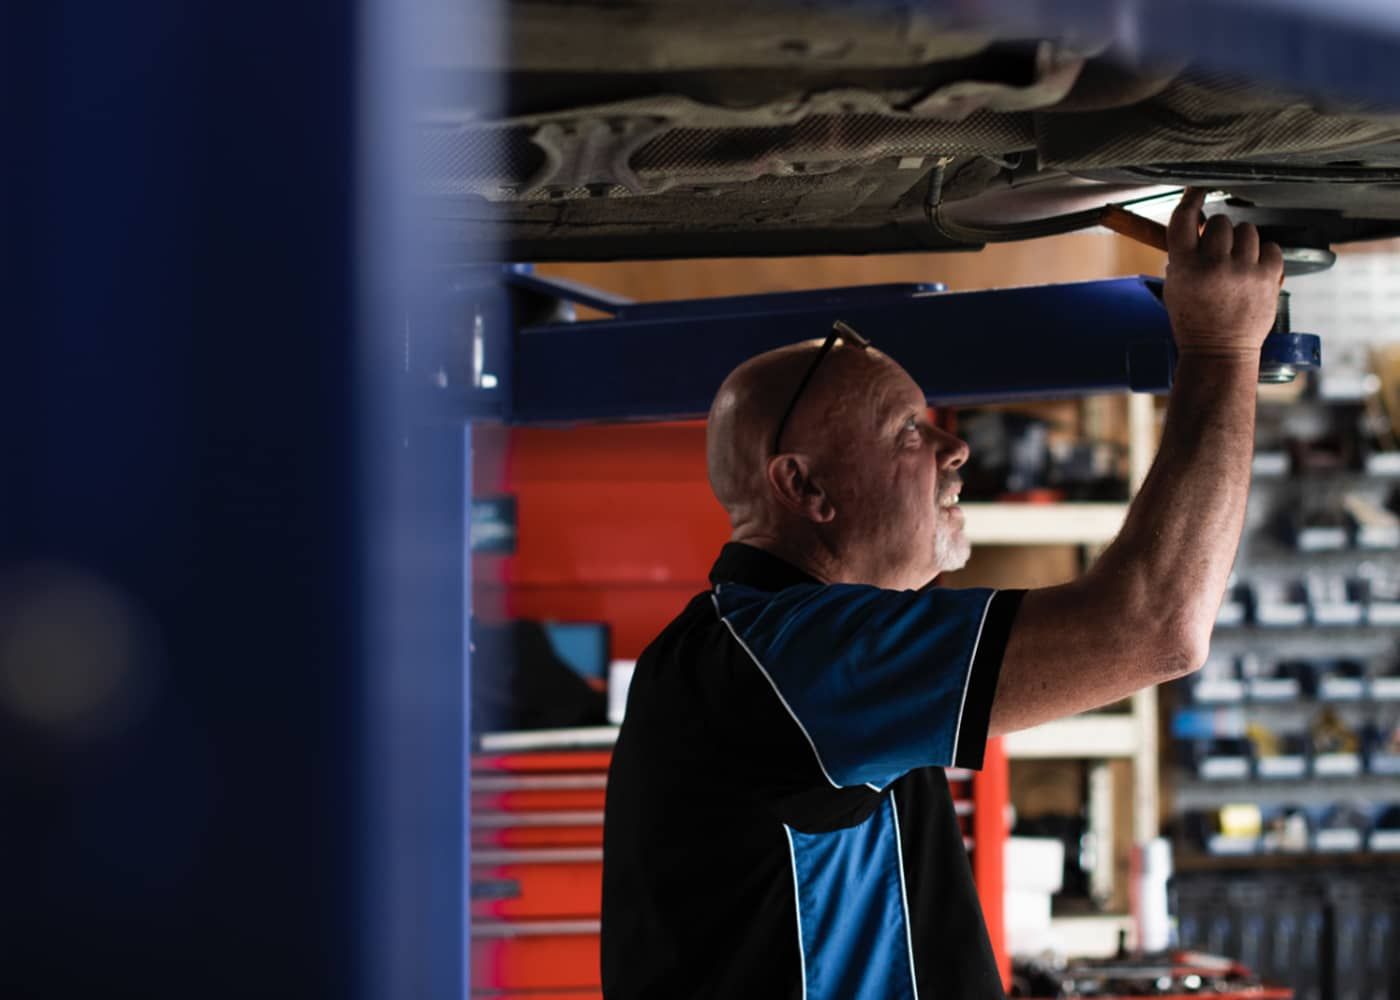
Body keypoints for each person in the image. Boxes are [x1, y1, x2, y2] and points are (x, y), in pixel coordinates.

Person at [600, 188, 1284, 999]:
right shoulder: (785, 662)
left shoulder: (768, 654)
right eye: (908, 432)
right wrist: (1221, 351)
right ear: (805, 486)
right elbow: (1156, 626)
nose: (954, 449)